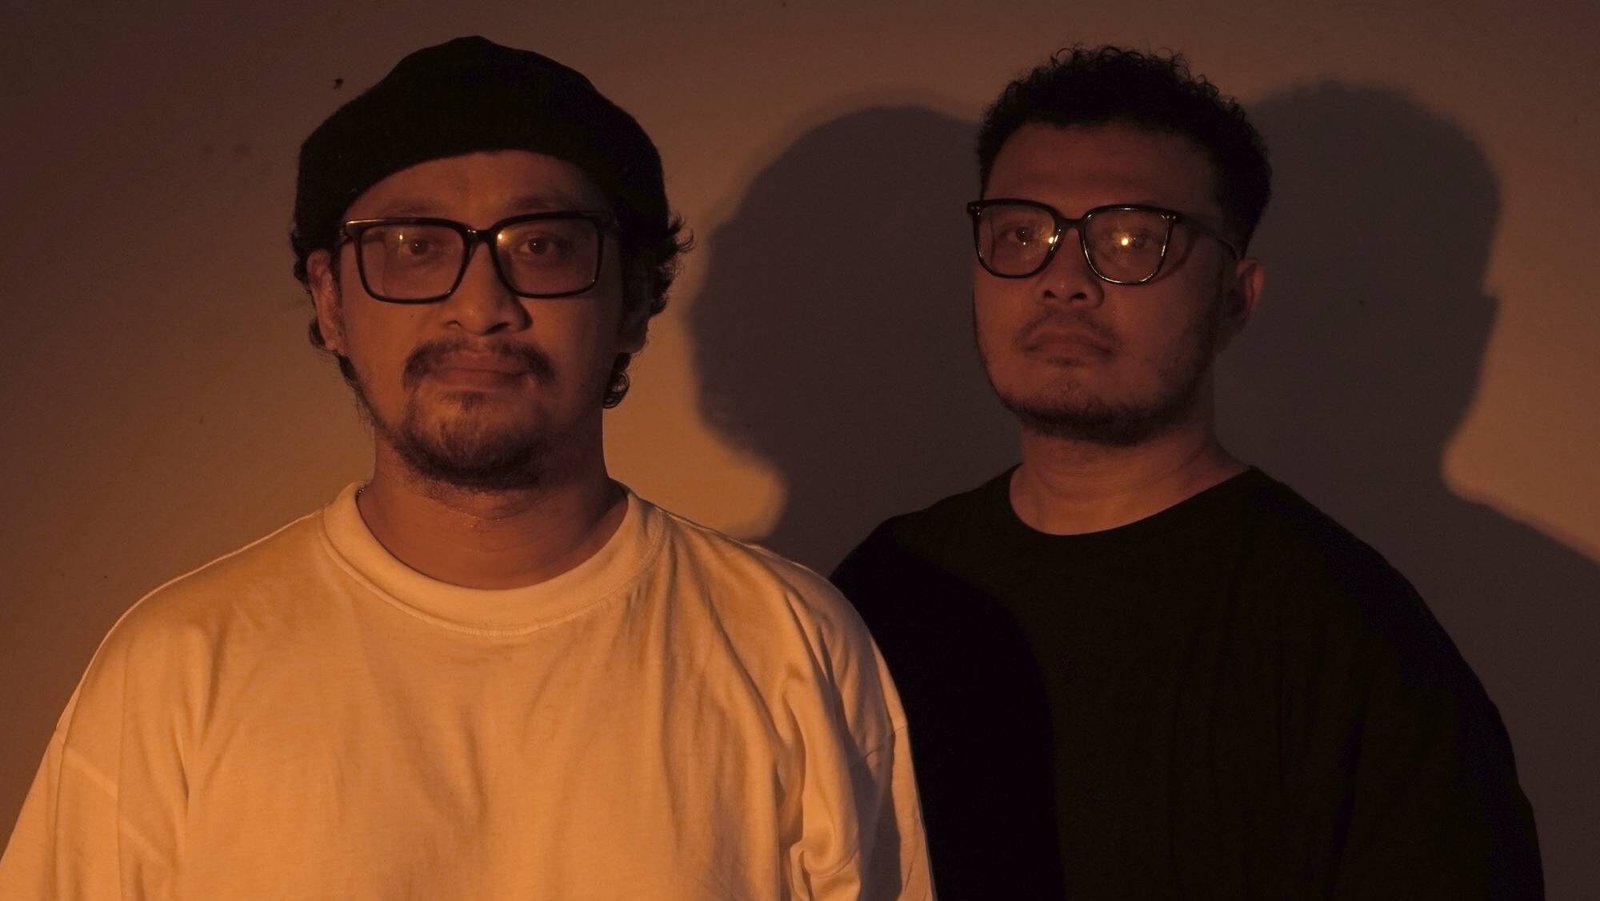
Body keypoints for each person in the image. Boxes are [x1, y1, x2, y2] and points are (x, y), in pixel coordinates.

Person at [0, 36, 931, 899]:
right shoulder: (175, 667)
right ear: (331, 299)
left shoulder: (791, 644)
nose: (481, 305)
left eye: (543, 246)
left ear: (634, 297)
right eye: (414, 248)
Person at [831, 46, 1541, 899]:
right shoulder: (884, 588)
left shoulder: (1349, 639)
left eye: (1132, 239)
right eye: (1021, 234)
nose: (1064, 281)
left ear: (1236, 296)